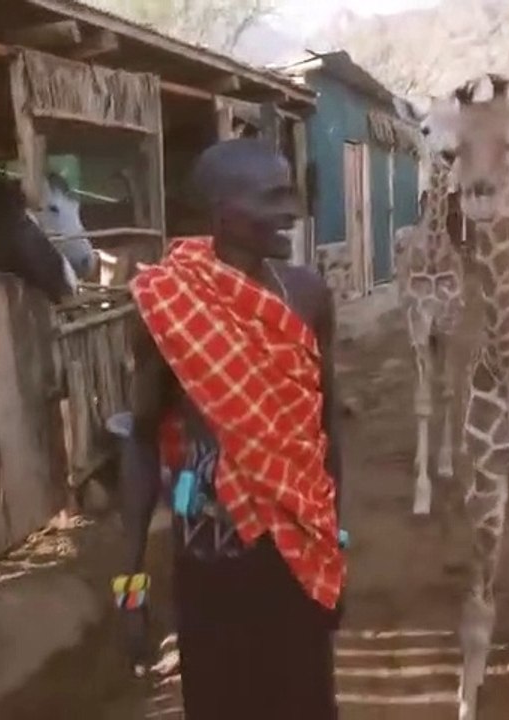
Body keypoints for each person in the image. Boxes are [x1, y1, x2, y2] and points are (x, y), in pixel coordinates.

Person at [114, 138, 346, 720]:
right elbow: (142, 441)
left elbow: (326, 432)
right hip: (210, 558)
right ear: (222, 211)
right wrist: (130, 588)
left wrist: (334, 551)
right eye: (273, 197)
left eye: (291, 192)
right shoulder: (166, 306)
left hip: (296, 550)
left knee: (305, 703)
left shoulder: (308, 297)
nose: (292, 210)